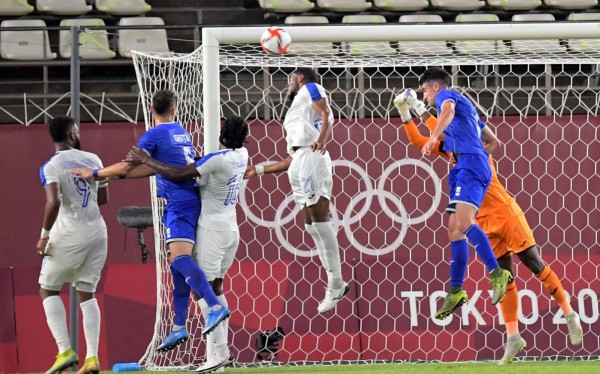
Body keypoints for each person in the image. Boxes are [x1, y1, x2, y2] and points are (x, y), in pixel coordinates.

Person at [394, 88, 584, 365]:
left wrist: (419, 109)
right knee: (505, 277)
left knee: (533, 263)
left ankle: (569, 313)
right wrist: (404, 113)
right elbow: (418, 140)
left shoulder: (474, 151)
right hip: (482, 221)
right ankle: (513, 337)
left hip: (505, 213)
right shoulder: (453, 150)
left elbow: (440, 127)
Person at [71, 90, 229, 353]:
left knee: (180, 260)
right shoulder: (180, 131)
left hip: (179, 203)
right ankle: (179, 325)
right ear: (174, 109)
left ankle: (214, 306)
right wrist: (115, 177)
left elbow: (127, 164)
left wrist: (95, 173)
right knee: (176, 267)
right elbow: (146, 168)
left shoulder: (154, 134)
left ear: (150, 108)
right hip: (187, 199)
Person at [125, 116, 249, 373]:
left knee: (202, 290)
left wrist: (147, 159)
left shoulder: (217, 159)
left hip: (213, 231)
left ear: (223, 135)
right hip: (231, 230)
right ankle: (221, 355)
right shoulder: (242, 155)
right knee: (216, 286)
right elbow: (198, 164)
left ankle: (217, 355)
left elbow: (180, 173)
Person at [407, 67, 513, 320]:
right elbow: (495, 142)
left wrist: (433, 138)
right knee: (454, 229)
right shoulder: (471, 114)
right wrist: (472, 152)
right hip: (467, 164)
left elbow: (447, 111)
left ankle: (498, 273)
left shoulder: (448, 96)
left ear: (435, 86)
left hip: (469, 164)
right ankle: (456, 291)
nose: (425, 97)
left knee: (464, 223)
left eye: (424, 91)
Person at [244, 67, 349, 314]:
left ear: (300, 78)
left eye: (290, 79)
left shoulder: (310, 88)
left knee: (320, 219)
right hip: (301, 159)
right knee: (311, 223)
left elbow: (325, 111)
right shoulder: (298, 110)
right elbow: (292, 157)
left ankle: (336, 283)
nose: (287, 85)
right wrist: (258, 171)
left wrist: (323, 138)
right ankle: (334, 282)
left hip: (312, 156)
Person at [37, 116, 108, 374]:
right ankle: (92, 358)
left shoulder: (51, 166)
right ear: (71, 134)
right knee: (87, 293)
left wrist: (44, 235)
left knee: (48, 289)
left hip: (69, 233)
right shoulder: (94, 159)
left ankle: (65, 350)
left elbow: (53, 202)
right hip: (98, 233)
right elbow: (103, 198)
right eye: (76, 131)